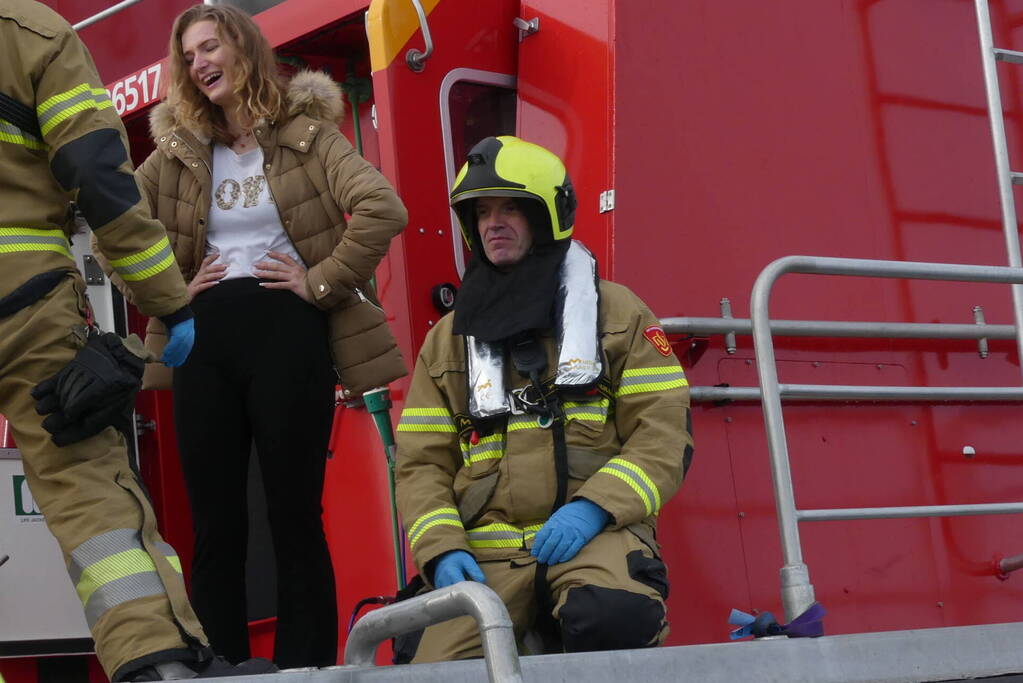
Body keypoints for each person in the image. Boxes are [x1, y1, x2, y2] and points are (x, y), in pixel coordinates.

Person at [103, 3, 408, 670]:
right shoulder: (177, 150)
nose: (199, 63)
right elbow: (113, 233)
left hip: (286, 333)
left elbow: (384, 207)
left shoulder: (308, 134)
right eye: (188, 56)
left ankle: (305, 667)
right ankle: (220, 664)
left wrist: (319, 279)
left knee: (293, 513)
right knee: (214, 524)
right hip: (202, 341)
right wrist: (172, 292)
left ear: (244, 49)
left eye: (209, 47)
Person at [0, 1, 276, 680]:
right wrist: (169, 301)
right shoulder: (29, 33)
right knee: (86, 480)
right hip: (22, 299)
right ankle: (158, 662)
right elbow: (98, 177)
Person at [394, 136, 694, 661]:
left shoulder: (618, 315)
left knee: (611, 620)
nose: (493, 223)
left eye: (511, 207)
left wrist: (595, 509)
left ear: (547, 213)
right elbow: (421, 465)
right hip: (482, 556)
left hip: (594, 535)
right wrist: (442, 551)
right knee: (432, 669)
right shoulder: (448, 340)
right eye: (482, 211)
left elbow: (663, 435)